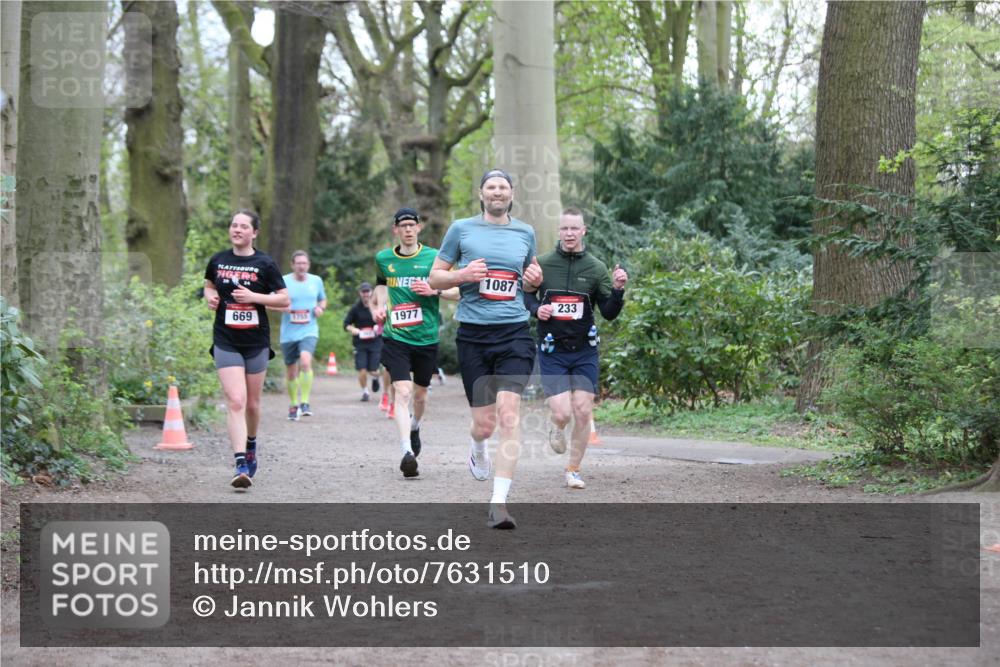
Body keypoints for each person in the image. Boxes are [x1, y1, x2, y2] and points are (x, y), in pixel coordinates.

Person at [429, 169, 543, 529]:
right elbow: (435, 278)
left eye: (503, 187)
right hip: (474, 336)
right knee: (485, 424)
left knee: (510, 414)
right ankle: (477, 447)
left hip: (514, 333)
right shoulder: (461, 229)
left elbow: (530, 276)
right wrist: (462, 276)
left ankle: (499, 503)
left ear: (512, 193)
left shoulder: (525, 232)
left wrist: (535, 279)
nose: (497, 192)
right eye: (491, 187)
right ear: (481, 193)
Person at [525, 207, 629, 489]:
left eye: (575, 228)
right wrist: (537, 309)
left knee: (583, 411)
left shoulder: (596, 269)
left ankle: (573, 469)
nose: (569, 234)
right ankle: (556, 426)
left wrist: (618, 291)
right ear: (559, 232)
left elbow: (608, 312)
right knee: (562, 413)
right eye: (564, 229)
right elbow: (525, 295)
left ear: (584, 231)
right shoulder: (543, 263)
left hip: (584, 349)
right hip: (553, 350)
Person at [370, 207, 460, 479]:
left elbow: (458, 290)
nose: (408, 230)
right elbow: (382, 286)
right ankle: (406, 452)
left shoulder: (435, 258)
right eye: (403, 226)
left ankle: (415, 426)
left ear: (419, 228)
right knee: (403, 392)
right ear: (395, 230)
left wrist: (436, 290)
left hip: (426, 337)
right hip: (395, 336)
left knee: (420, 396)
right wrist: (380, 307)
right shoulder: (384, 259)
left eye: (412, 225)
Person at [204, 211, 289, 489]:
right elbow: (208, 285)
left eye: (243, 226)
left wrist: (254, 297)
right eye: (234, 225)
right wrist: (211, 297)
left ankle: (251, 444)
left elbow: (284, 300)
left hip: (255, 342)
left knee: (252, 404)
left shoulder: (264, 263)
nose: (237, 229)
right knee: (236, 400)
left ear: (254, 233)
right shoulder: (218, 260)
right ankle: (240, 462)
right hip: (225, 339)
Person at [272, 250, 326, 421]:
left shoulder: (316, 280)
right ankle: (294, 404)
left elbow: (322, 299)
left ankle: (305, 402)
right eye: (298, 263)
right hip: (288, 333)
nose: (301, 266)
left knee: (305, 361)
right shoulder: (284, 281)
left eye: (304, 263)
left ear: (308, 265)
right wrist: (282, 308)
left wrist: (320, 308)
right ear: (292, 265)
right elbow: (270, 302)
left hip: (309, 330)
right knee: (291, 372)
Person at [343, 283, 383, 401]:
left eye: (368, 291)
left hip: (375, 342)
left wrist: (378, 326)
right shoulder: (355, 308)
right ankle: (365, 392)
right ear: (360, 293)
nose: (366, 294)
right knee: (362, 369)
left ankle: (375, 378)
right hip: (360, 343)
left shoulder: (377, 307)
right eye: (363, 291)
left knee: (374, 370)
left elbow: (386, 321)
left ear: (372, 292)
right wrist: (352, 329)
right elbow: (346, 324)